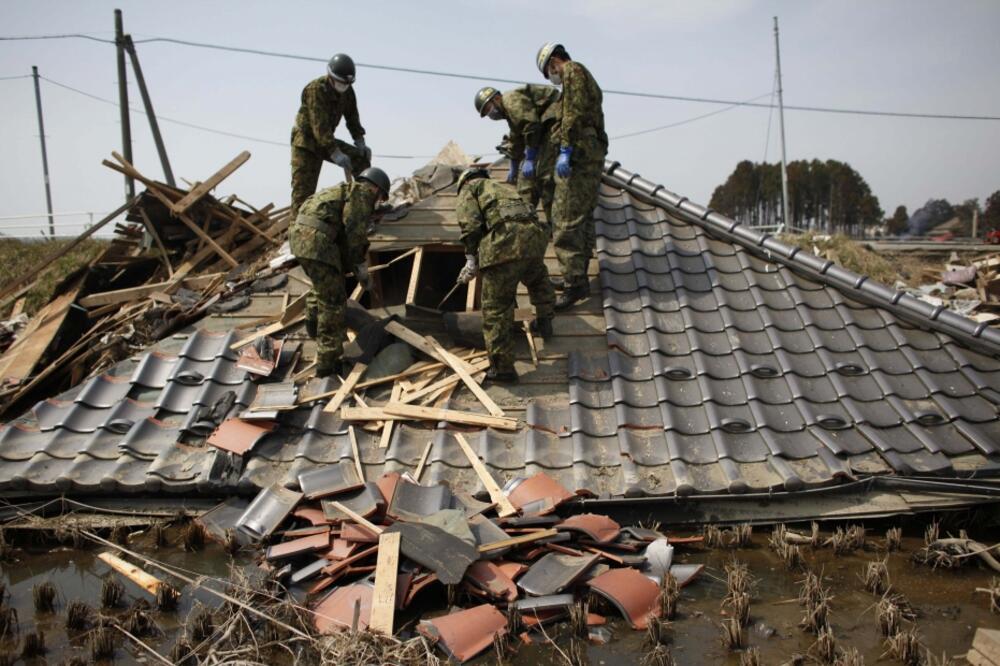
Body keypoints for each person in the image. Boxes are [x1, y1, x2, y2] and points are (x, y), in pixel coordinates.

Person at [455, 167, 555, 383]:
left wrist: (471, 257)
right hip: (534, 238)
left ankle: (503, 370)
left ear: (463, 181)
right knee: (537, 278)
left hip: (505, 243)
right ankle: (546, 320)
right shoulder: (504, 188)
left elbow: (470, 225)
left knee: (496, 308)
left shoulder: (469, 188)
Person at [289, 167, 390, 378]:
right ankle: (328, 364)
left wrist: (351, 266)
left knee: (322, 288)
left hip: (300, 240)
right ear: (375, 188)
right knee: (333, 303)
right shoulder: (362, 193)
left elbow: (342, 237)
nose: (377, 202)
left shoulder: (342, 191)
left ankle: (313, 327)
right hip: (317, 242)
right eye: (380, 197)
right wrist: (361, 264)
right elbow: (355, 232)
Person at [535, 42, 608, 310]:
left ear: (555, 61)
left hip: (579, 155)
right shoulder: (581, 75)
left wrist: (565, 149)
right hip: (589, 155)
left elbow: (572, 113)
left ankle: (573, 284)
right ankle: (578, 277)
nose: (552, 77)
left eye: (549, 71)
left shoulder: (574, 70)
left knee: (563, 219)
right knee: (582, 218)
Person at [290, 53, 373, 220]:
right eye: (341, 83)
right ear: (331, 77)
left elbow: (352, 118)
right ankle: (296, 232)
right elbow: (319, 126)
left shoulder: (348, 91)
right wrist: (334, 152)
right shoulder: (316, 90)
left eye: (347, 83)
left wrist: (360, 141)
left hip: (326, 141)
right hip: (305, 143)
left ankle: (363, 210)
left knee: (360, 160)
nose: (344, 86)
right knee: (303, 194)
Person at [473, 84, 561, 230]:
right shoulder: (510, 113)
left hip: (553, 123)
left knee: (545, 176)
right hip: (543, 129)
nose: (491, 113)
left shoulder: (510, 100)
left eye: (489, 108)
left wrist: (531, 158)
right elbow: (516, 137)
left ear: (496, 98)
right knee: (526, 184)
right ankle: (525, 225)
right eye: (487, 112)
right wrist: (514, 165)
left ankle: (555, 225)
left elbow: (531, 126)